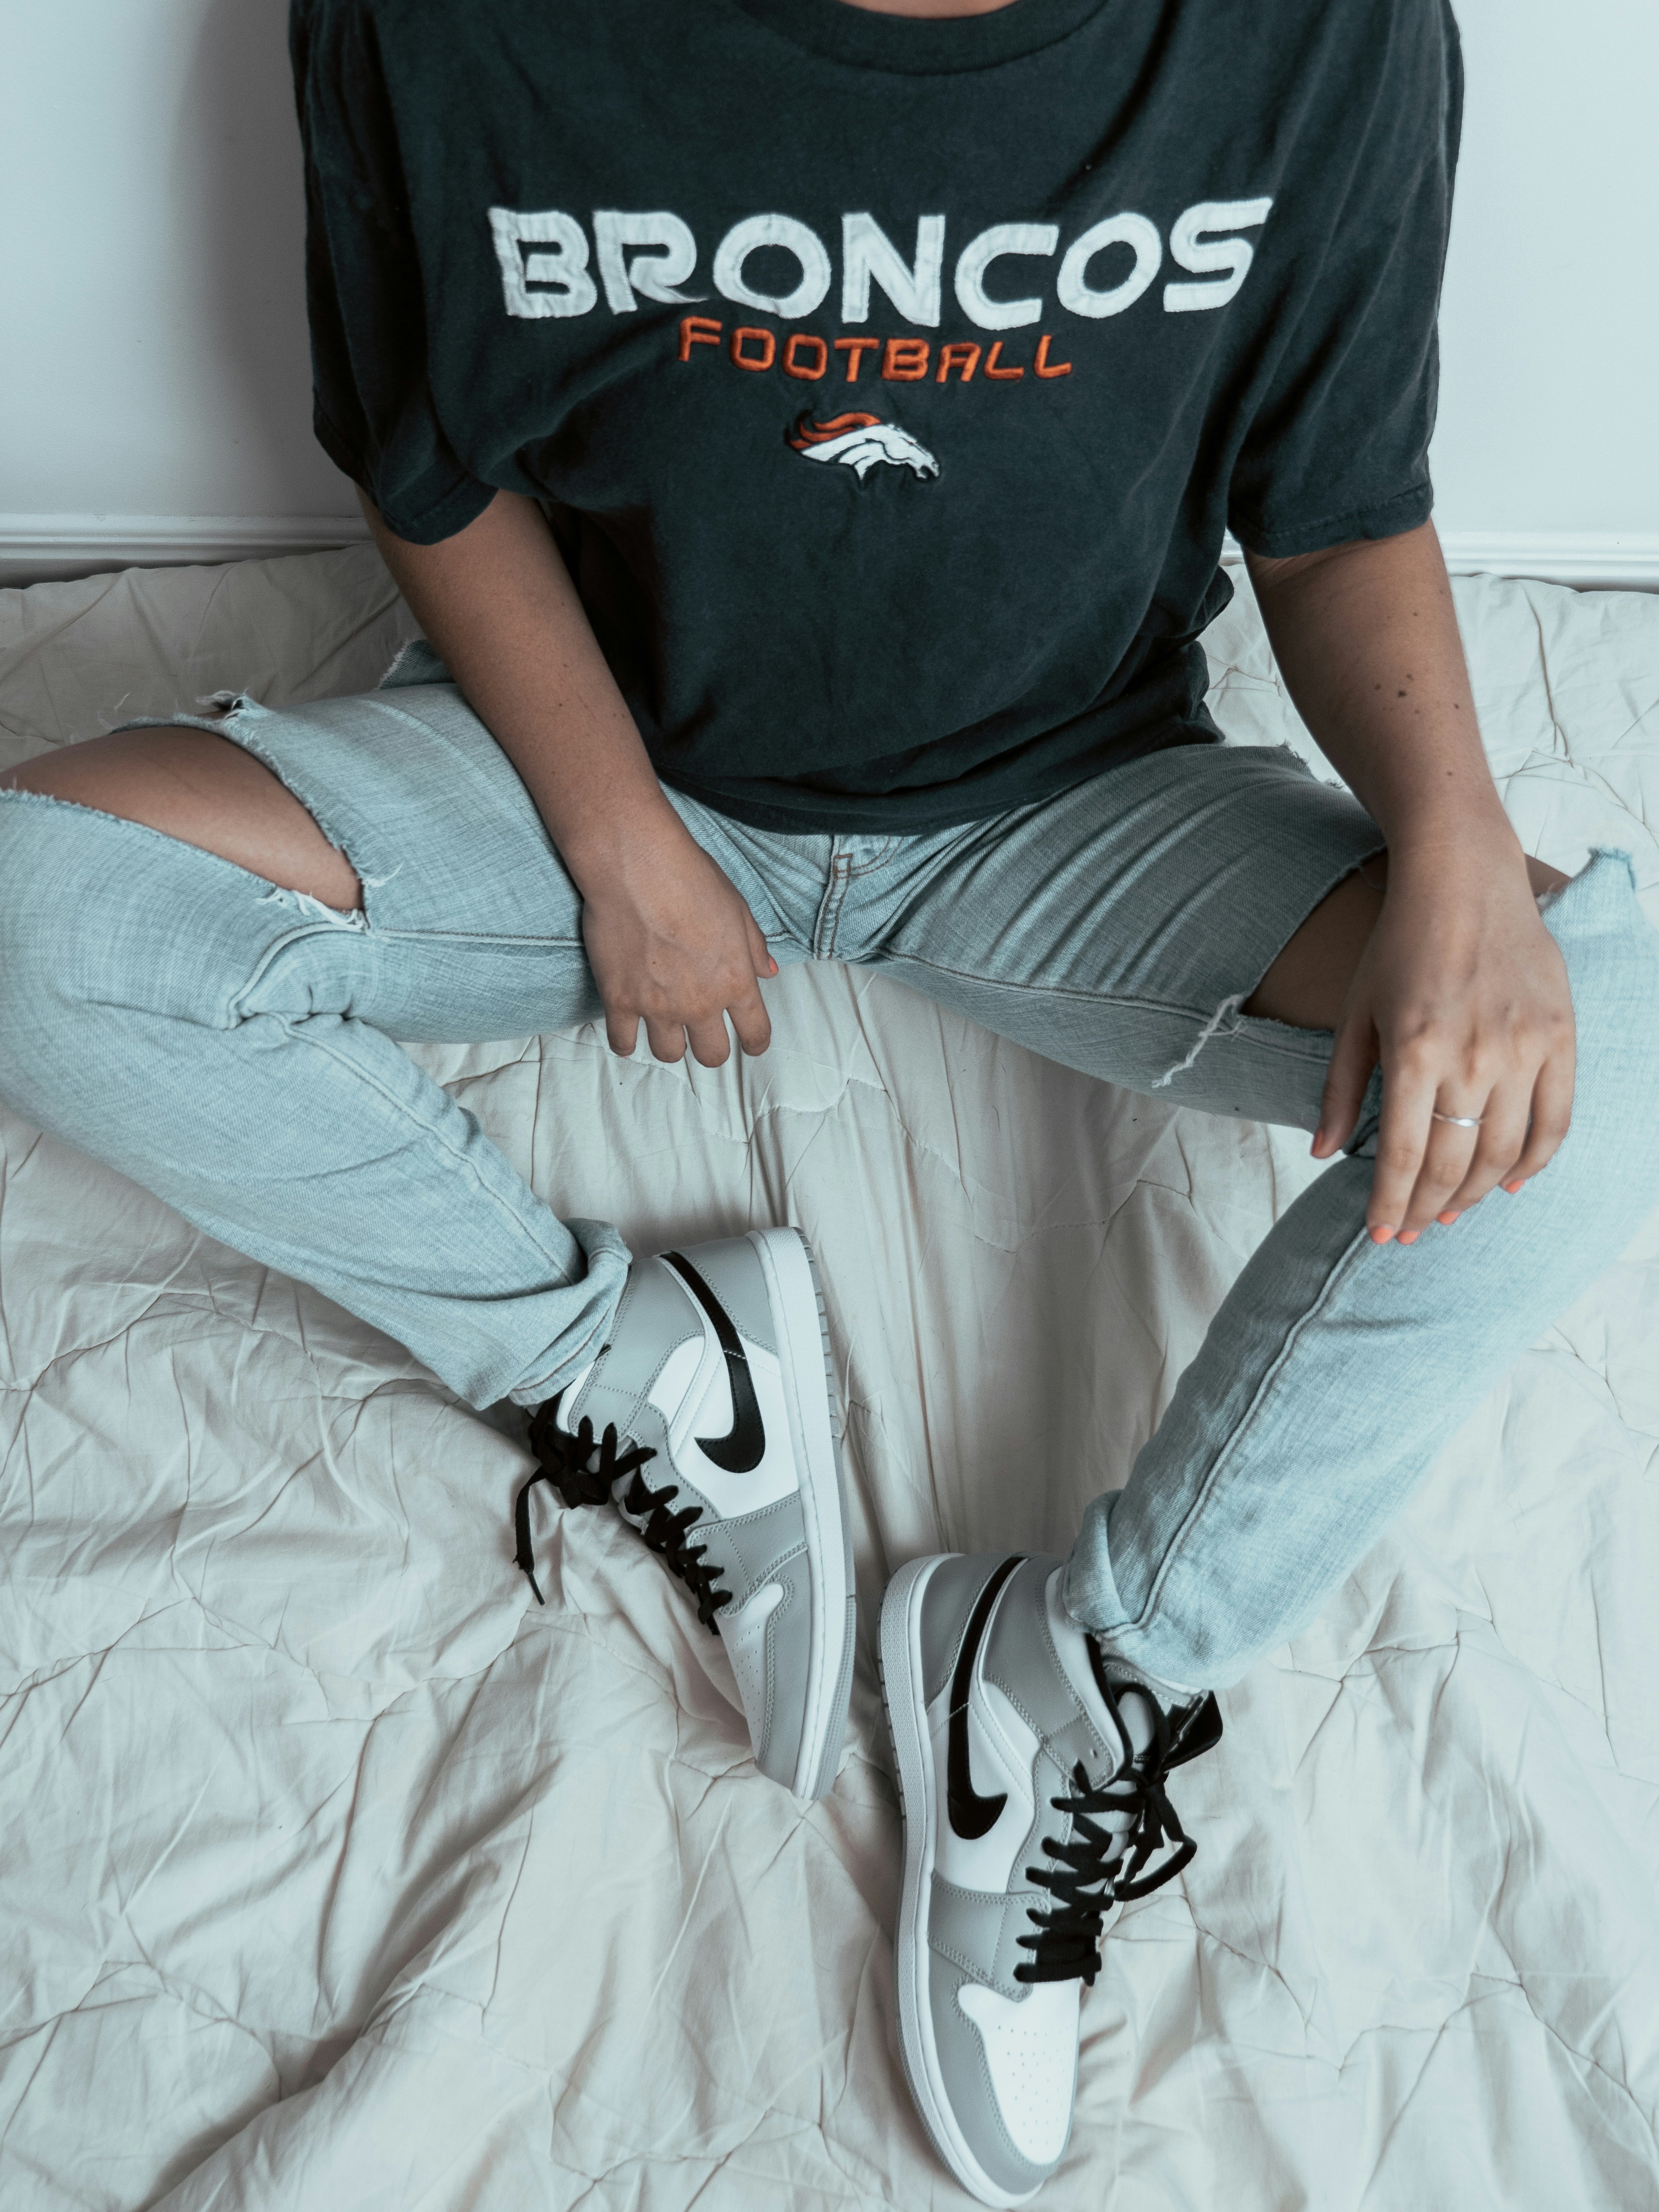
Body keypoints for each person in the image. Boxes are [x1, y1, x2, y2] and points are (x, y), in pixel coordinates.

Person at [3, 0, 1657, 2199]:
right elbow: (433, 472)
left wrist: (1455, 848)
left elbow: (1335, 505)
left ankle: (1077, 1671)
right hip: (606, 785)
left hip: (1079, 808)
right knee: (46, 910)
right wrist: (619, 849)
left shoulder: (1317, 27)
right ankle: (636, 1360)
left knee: (1608, 1032)